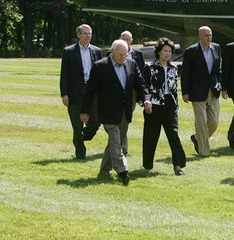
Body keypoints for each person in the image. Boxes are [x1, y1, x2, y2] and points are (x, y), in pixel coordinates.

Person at [80, 39, 152, 185]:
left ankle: (104, 170)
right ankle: (122, 172)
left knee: (115, 142)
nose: (122, 57)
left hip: (125, 111)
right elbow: (90, 91)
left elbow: (141, 84)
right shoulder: (100, 66)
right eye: (120, 54)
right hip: (108, 112)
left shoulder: (131, 64)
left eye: (125, 54)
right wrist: (84, 111)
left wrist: (146, 99)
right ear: (112, 52)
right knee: (116, 141)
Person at [142, 38, 186, 175]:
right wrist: (145, 102)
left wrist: (176, 105)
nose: (167, 54)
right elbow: (144, 87)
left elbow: (174, 89)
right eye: (165, 51)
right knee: (151, 136)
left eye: (170, 51)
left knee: (173, 135)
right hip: (153, 106)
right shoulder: (150, 67)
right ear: (159, 52)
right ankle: (148, 165)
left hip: (170, 106)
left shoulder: (173, 68)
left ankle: (178, 166)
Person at [60, 24, 102, 160]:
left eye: (89, 33)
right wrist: (64, 94)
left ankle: (82, 138)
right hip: (75, 92)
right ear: (78, 35)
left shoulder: (97, 51)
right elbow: (64, 74)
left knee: (95, 122)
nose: (88, 36)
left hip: (92, 92)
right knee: (77, 126)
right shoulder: (69, 51)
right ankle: (80, 154)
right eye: (85, 33)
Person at [181, 26, 222, 157]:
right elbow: (185, 73)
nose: (209, 37)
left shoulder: (216, 48)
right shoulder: (191, 51)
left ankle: (197, 137)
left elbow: (218, 69)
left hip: (213, 90)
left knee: (214, 122)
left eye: (210, 35)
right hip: (196, 91)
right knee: (201, 121)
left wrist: (220, 84)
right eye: (206, 35)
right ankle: (204, 151)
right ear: (200, 36)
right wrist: (185, 92)